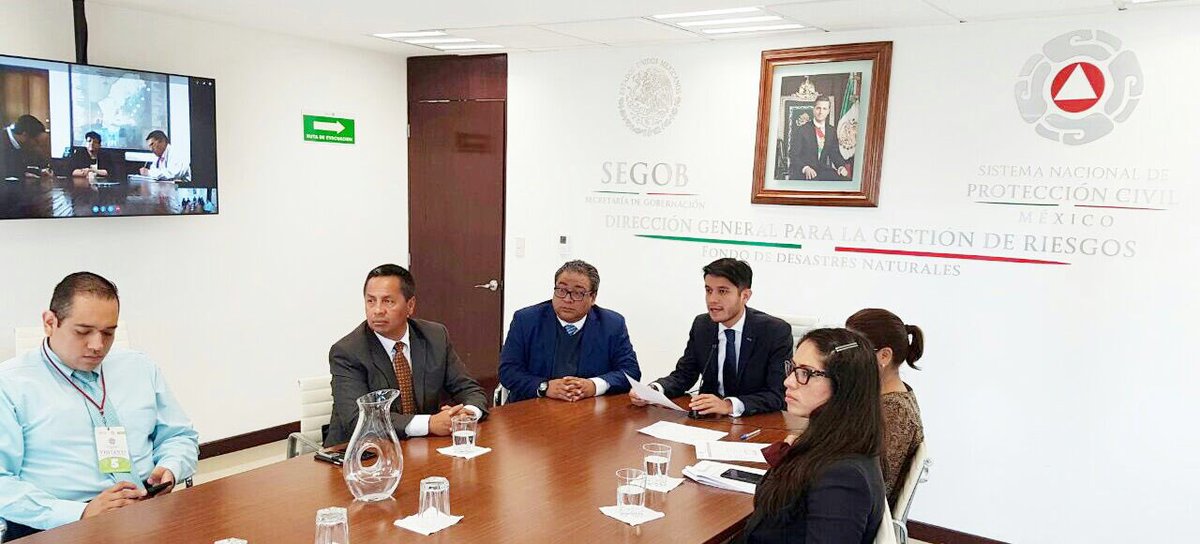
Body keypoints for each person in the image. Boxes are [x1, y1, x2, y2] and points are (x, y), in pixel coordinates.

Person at [0, 272, 199, 537]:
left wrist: (171, 467)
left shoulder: (139, 367)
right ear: (50, 323)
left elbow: (180, 436)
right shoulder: (10, 384)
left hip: (146, 510)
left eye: (108, 333)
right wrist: (81, 513)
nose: (97, 346)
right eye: (83, 332)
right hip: (59, 525)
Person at [739, 328, 885, 543]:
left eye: (805, 373)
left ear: (843, 385)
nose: (788, 381)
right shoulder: (831, 442)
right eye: (792, 368)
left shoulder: (843, 476)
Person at [325, 264, 488, 446]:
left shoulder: (435, 336)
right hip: (361, 451)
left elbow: (469, 389)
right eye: (371, 301)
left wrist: (466, 415)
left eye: (388, 301)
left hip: (420, 446)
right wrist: (429, 424)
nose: (377, 310)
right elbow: (358, 419)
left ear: (410, 305)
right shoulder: (347, 352)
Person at [630, 258, 791, 416]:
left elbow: (777, 394)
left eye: (722, 291)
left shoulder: (774, 331)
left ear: (745, 296)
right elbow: (684, 375)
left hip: (757, 421)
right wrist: (653, 390)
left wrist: (729, 405)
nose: (712, 300)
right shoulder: (702, 325)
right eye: (708, 290)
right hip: (708, 418)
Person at [499, 260, 641, 403]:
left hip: (588, 408)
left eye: (578, 293)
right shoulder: (526, 320)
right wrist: (545, 387)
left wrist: (594, 385)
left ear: (592, 298)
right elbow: (508, 371)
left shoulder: (612, 324)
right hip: (533, 406)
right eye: (561, 290)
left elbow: (631, 372)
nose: (567, 299)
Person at [847, 308, 925, 508]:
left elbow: (874, 484)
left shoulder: (895, 411)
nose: (846, 357)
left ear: (884, 356)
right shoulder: (882, 395)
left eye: (853, 349)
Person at [788, 96, 850, 181]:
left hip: (822, 171)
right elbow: (793, 155)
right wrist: (805, 168)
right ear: (814, 109)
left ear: (828, 111)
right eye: (818, 108)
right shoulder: (802, 130)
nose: (821, 112)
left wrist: (840, 166)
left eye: (824, 109)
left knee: (845, 181)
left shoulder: (831, 131)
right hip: (803, 172)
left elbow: (834, 153)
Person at [0, 115, 47, 179]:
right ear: (25, 135)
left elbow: (18, 168)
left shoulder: (18, 144)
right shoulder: (3, 141)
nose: (37, 146)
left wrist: (39, 172)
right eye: (36, 142)